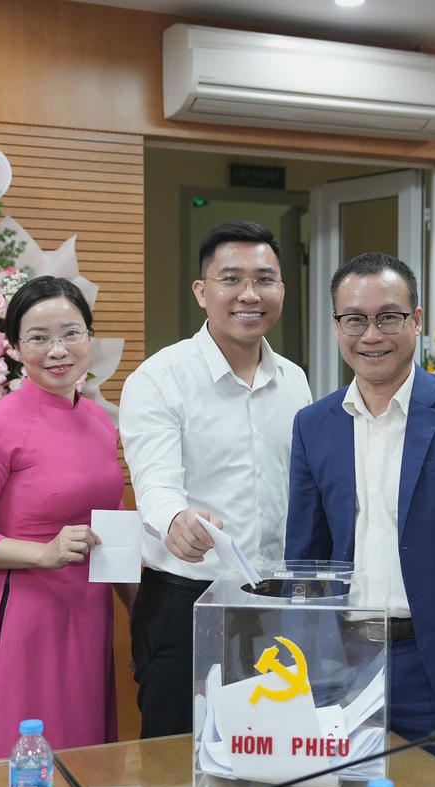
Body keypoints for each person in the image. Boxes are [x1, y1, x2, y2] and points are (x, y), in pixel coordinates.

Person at [285, 251, 435, 784]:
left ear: (416, 320)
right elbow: (305, 559)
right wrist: (302, 666)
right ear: (337, 326)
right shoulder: (313, 424)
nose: (371, 335)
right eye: (355, 319)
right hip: (340, 663)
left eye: (388, 317)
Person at [120, 220, 311, 738]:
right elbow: (155, 482)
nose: (250, 294)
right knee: (174, 760)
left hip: (275, 602)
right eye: (231, 279)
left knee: (269, 752)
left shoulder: (294, 380)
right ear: (202, 292)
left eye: (265, 279)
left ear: (282, 290)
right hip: (187, 602)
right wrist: (175, 520)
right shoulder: (160, 378)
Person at [0, 276, 123, 761]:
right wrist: (43, 554)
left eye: (71, 333)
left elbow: (112, 517)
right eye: (39, 338)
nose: (58, 350)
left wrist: (138, 604)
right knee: (32, 763)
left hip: (91, 612)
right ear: (16, 348)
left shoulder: (100, 420)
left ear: (89, 336)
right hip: (29, 615)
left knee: (89, 759)